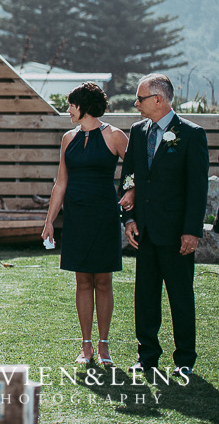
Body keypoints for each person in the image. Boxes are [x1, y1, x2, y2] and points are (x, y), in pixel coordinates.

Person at [119, 73, 208, 378]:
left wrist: (192, 230)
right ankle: (147, 356)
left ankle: (184, 358)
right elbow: (129, 173)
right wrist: (128, 218)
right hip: (143, 230)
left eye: (140, 98)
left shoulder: (192, 134)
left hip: (176, 232)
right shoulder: (138, 130)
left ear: (158, 99)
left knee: (180, 296)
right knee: (145, 297)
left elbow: (197, 188)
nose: (136, 103)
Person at [42, 82, 129, 367]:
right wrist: (49, 221)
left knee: (103, 281)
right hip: (77, 216)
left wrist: (131, 194)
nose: (68, 110)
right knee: (82, 281)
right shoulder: (68, 138)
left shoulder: (115, 136)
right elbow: (61, 182)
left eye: (71, 105)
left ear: (84, 107)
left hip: (104, 215)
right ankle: (86, 346)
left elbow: (135, 172)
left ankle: (104, 346)